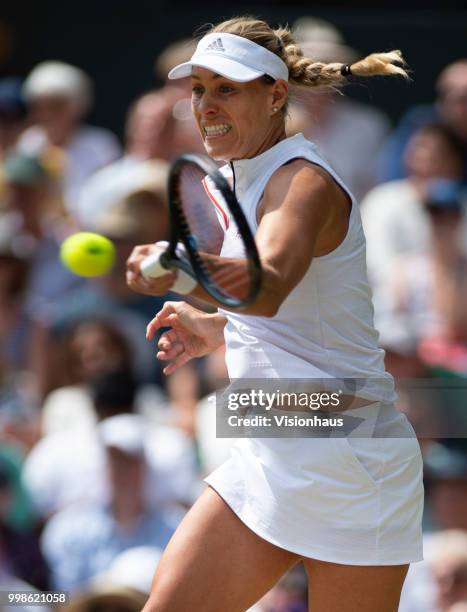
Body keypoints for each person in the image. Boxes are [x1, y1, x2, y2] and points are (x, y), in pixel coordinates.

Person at [126, 17, 424, 612]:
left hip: (351, 450)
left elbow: (270, 286)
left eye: (227, 88)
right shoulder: (235, 178)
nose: (207, 105)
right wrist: (219, 328)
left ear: (277, 94)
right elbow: (282, 311)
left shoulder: (303, 182)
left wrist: (181, 268)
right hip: (274, 438)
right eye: (199, 90)